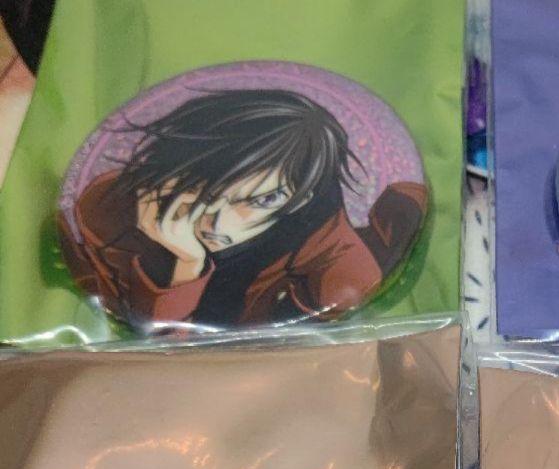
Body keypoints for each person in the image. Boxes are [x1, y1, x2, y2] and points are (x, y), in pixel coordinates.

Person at [59, 88, 427, 328]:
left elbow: (351, 286)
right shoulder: (108, 208)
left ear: (302, 198)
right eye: (203, 186)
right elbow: (159, 342)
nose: (218, 220)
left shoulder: (320, 233)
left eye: (261, 200)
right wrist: (187, 264)